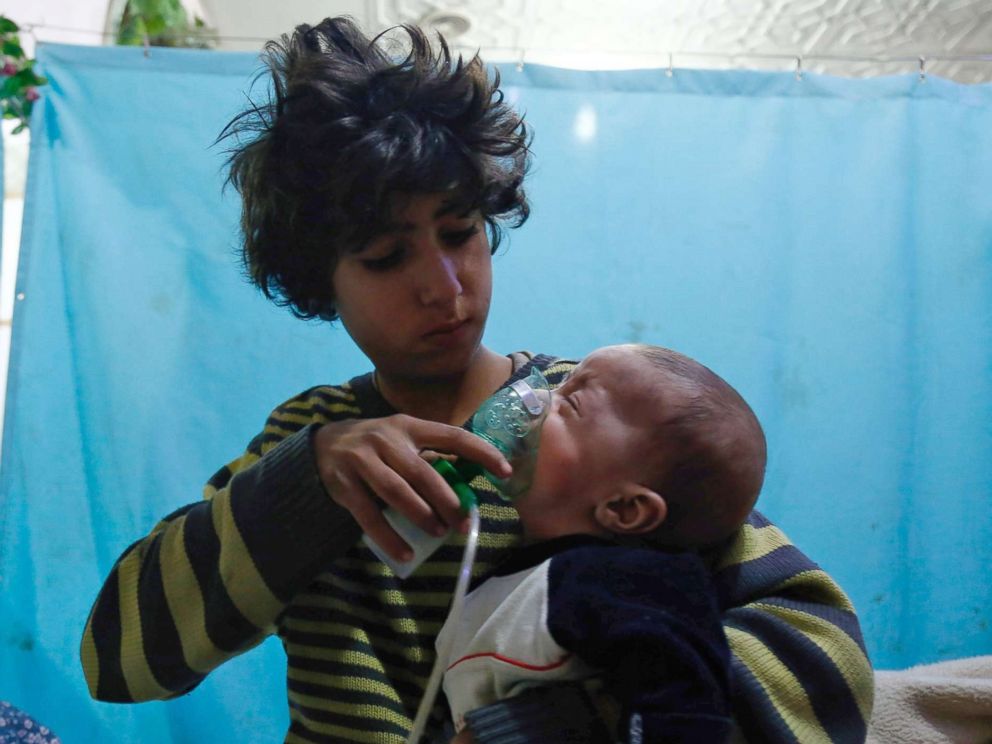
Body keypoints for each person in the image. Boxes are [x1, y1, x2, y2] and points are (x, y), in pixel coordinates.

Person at [80, 16, 873, 744]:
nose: (446, 287)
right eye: (387, 257)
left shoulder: (602, 424)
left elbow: (828, 657)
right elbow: (117, 663)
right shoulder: (309, 450)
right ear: (319, 280)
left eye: (461, 234)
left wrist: (589, 717)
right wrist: (306, 487)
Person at [438, 344, 764, 743]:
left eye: (569, 402)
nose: (536, 398)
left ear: (625, 508)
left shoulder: (626, 581)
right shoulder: (512, 582)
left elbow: (684, 694)